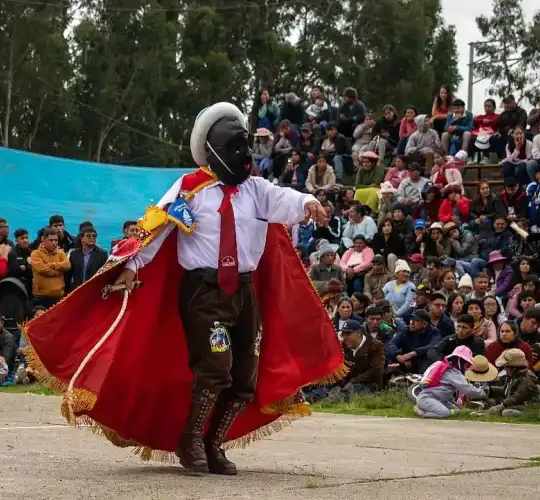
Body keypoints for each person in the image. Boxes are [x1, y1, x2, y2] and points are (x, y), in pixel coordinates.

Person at [23, 101, 341, 475]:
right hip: (203, 293)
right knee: (215, 366)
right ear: (216, 152)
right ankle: (190, 440)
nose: (244, 157)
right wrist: (132, 265)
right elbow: (157, 229)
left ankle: (214, 443)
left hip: (244, 293)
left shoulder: (256, 190)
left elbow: (284, 198)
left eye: (246, 148)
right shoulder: (189, 189)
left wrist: (308, 201)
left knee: (244, 376)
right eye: (235, 148)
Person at [414, 346, 486, 419]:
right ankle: (420, 412)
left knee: (457, 411)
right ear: (461, 361)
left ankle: (426, 408)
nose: (467, 367)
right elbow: (467, 389)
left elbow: (445, 391)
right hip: (428, 398)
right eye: (467, 364)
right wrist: (483, 393)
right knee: (444, 413)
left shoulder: (448, 369)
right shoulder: (453, 373)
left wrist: (453, 403)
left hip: (438, 399)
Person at [484, 349, 540, 417]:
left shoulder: (527, 378)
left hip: (528, 407)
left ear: (514, 368)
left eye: (506, 367)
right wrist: (490, 390)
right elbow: (506, 390)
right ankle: (485, 413)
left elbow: (518, 395)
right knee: (494, 408)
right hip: (517, 405)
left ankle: (529, 416)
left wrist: (503, 405)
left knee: (506, 412)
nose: (505, 369)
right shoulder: (512, 376)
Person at [385, 309, 439, 375]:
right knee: (390, 358)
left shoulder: (434, 332)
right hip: (406, 361)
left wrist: (413, 354)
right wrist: (398, 355)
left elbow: (432, 346)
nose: (412, 323)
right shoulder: (406, 330)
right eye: (411, 319)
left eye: (416, 320)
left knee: (428, 358)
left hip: (423, 361)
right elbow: (391, 344)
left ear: (425, 324)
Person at [30, 228, 70, 309]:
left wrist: (52, 265)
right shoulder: (36, 253)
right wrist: (58, 272)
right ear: (43, 240)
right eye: (51, 240)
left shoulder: (61, 253)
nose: (54, 243)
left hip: (58, 296)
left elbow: (67, 265)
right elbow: (41, 269)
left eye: (56, 240)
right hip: (41, 296)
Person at [65, 227, 108, 294]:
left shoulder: (102, 254)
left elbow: (105, 276)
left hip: (94, 292)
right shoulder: (74, 254)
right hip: (76, 291)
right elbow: (68, 276)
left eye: (94, 236)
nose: (92, 237)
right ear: (82, 238)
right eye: (88, 236)